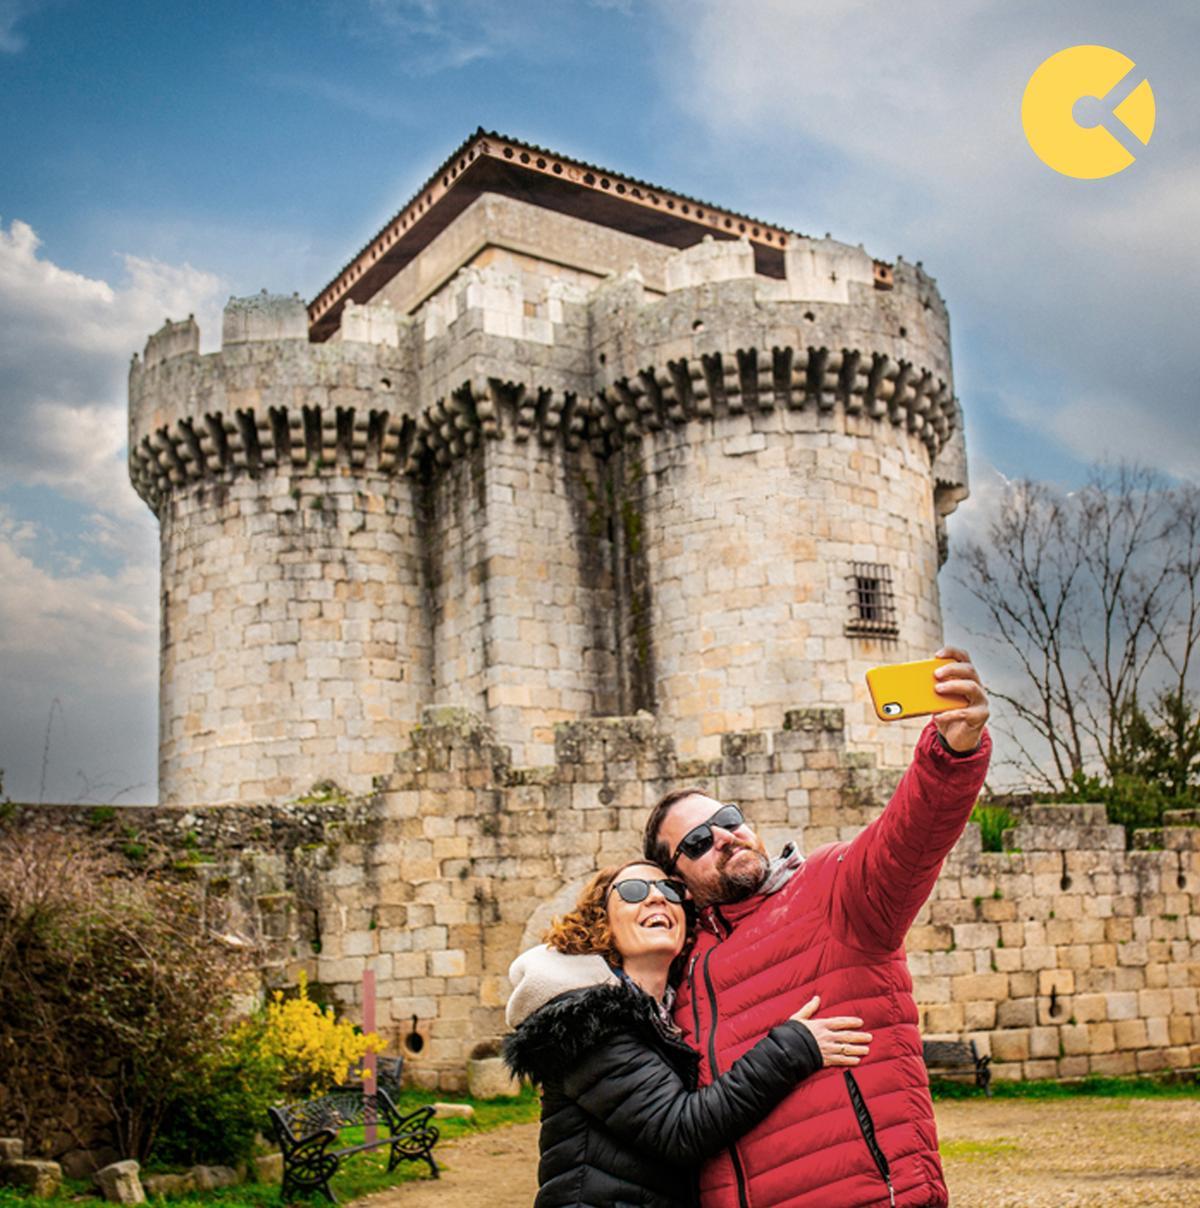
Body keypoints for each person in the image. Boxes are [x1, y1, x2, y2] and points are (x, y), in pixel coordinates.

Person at [642, 647, 991, 1208]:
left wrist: (950, 753)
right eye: (698, 842)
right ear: (675, 878)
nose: (725, 837)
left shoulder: (831, 888)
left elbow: (910, 837)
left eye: (727, 819)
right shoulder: (672, 964)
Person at [503, 859, 874, 1208]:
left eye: (670, 890)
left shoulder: (663, 1018)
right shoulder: (585, 1023)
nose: (656, 897)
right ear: (603, 923)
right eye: (633, 890)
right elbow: (680, 1129)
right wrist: (792, 1049)